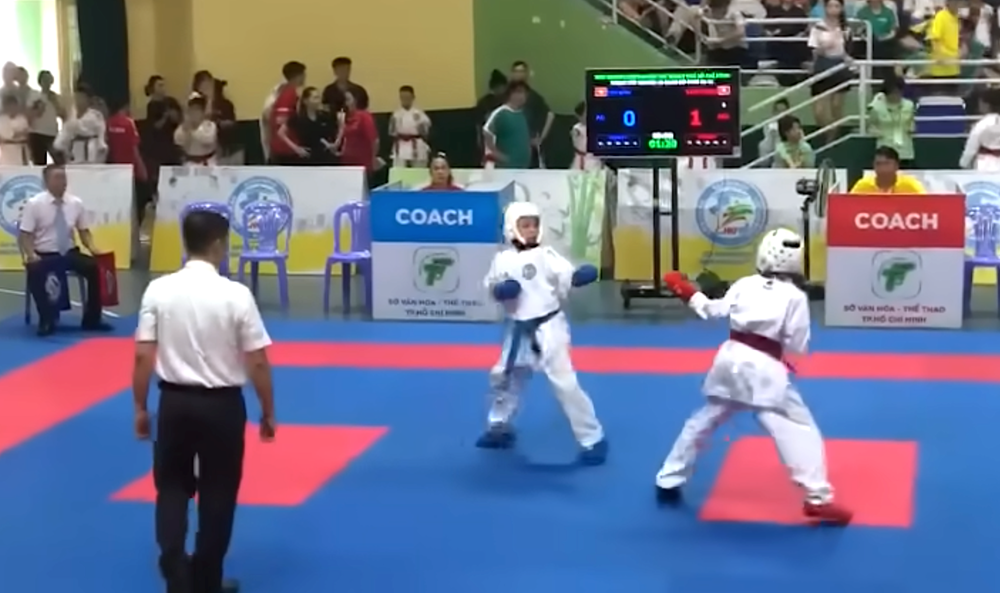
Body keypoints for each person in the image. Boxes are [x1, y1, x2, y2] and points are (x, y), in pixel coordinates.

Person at [655, 229, 852, 526]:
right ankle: (818, 498)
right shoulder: (794, 297)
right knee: (798, 427)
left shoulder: (744, 284)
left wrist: (685, 290)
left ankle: (668, 479)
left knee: (705, 419)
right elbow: (798, 345)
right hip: (763, 371)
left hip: (729, 361)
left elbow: (711, 310)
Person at [132, 209, 276, 593]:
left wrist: (141, 407)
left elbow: (143, 356)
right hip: (222, 407)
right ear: (217, 244)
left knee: (172, 487)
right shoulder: (236, 294)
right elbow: (257, 361)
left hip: (174, 403)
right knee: (219, 492)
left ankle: (175, 569)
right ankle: (207, 580)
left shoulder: (158, 290)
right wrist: (267, 411)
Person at [479, 201, 608, 465]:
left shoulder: (546, 256)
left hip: (548, 328)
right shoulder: (502, 259)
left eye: (534, 225)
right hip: (517, 329)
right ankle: (499, 426)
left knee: (565, 384)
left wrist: (578, 277)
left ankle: (592, 438)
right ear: (512, 228)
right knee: (506, 378)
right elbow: (490, 285)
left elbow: (565, 275)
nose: (531, 230)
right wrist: (499, 291)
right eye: (524, 225)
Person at [20, 164, 111, 336]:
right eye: (57, 178)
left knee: (95, 267)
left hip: (69, 252)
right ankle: (46, 319)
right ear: (46, 181)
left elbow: (84, 231)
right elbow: (25, 235)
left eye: (64, 177)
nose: (62, 181)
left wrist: (93, 248)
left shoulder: (75, 203)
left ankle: (92, 319)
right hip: (44, 254)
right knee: (35, 271)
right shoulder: (34, 204)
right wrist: (30, 254)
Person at [808, 0, 853, 142]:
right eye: (830, 6)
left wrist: (848, 59)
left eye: (837, 6)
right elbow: (813, 51)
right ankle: (830, 132)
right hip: (822, 66)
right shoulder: (818, 27)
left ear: (842, 8)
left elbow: (848, 52)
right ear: (825, 7)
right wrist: (824, 47)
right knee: (819, 112)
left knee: (836, 107)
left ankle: (833, 140)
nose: (833, 9)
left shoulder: (846, 29)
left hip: (839, 67)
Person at [105, 98, 150, 239]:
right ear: (126, 106)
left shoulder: (109, 123)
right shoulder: (129, 123)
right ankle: (134, 234)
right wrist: (142, 169)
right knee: (136, 204)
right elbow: (134, 148)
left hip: (115, 169)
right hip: (131, 169)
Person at [508, 61, 554, 168]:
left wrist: (541, 138)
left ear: (527, 74)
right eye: (516, 71)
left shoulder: (534, 97)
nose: (519, 74)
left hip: (528, 146)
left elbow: (550, 115)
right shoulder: (505, 95)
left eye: (522, 71)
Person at [282, 86, 339, 165]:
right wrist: (296, 148)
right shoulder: (299, 118)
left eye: (319, 98)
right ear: (306, 101)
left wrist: (331, 144)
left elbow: (323, 136)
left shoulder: (324, 116)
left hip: (325, 158)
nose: (318, 101)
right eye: (315, 98)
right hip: (308, 158)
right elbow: (281, 133)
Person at [264, 61, 306, 165]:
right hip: (286, 149)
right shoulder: (288, 94)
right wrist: (295, 148)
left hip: (285, 146)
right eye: (303, 74)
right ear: (298, 76)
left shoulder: (285, 92)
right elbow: (280, 123)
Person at [869, 76, 916, 167]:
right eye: (893, 93)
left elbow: (911, 123)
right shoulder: (876, 107)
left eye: (898, 92)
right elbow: (871, 125)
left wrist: (912, 127)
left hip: (905, 150)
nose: (896, 96)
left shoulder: (909, 105)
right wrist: (875, 132)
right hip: (885, 151)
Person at [483, 81, 531, 170]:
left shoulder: (523, 113)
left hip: (523, 167)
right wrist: (498, 155)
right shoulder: (500, 113)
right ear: (511, 94)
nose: (523, 96)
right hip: (506, 168)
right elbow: (487, 132)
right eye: (519, 92)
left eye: (525, 93)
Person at [54, 84, 107, 163]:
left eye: (82, 97)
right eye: (77, 97)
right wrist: (61, 146)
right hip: (74, 151)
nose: (79, 100)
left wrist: (102, 146)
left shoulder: (96, 116)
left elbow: (101, 134)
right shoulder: (71, 116)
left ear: (88, 100)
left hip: (91, 150)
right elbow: (66, 133)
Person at [850, 146, 927, 193]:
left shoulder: (911, 185)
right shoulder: (863, 186)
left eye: (887, 164)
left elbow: (926, 205)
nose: (882, 168)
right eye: (878, 164)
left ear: (896, 166)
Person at [27, 70, 65, 165]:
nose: (47, 82)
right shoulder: (34, 96)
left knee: (59, 161)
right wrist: (39, 106)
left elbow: (63, 114)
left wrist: (55, 102)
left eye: (49, 79)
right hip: (37, 133)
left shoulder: (56, 97)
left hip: (52, 133)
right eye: (44, 80)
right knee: (39, 163)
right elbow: (30, 115)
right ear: (40, 82)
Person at [338, 89, 380, 174]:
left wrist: (373, 158)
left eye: (348, 100)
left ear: (356, 100)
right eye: (345, 100)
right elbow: (343, 138)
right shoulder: (346, 117)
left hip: (362, 160)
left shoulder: (364, 116)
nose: (346, 103)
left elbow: (374, 140)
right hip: (347, 160)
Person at [389, 85, 431, 167]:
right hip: (401, 145)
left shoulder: (420, 114)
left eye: (407, 97)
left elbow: (425, 133)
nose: (405, 100)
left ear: (413, 97)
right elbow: (392, 132)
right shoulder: (396, 114)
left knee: (419, 169)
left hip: (417, 145)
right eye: (402, 97)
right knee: (399, 168)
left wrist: (419, 123)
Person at [960, 88, 1000, 170]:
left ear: (987, 105)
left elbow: (971, 148)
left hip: (984, 165)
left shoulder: (982, 124)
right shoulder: (983, 124)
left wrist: (964, 163)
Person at [174, 96, 219, 165]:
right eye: (192, 109)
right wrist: (186, 131)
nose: (194, 113)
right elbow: (178, 140)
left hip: (207, 163)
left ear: (203, 112)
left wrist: (192, 130)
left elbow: (208, 139)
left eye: (197, 110)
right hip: (190, 162)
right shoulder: (184, 126)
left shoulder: (210, 125)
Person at [569, 101, 602, 170]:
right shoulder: (577, 128)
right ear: (579, 116)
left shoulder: (596, 126)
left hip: (594, 158)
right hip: (581, 159)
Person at [0, 94, 30, 165]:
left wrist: (15, 135)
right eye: (9, 106)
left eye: (13, 106)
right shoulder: (1, 119)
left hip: (19, 149)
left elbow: (25, 134)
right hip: (4, 151)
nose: (11, 108)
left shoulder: (22, 119)